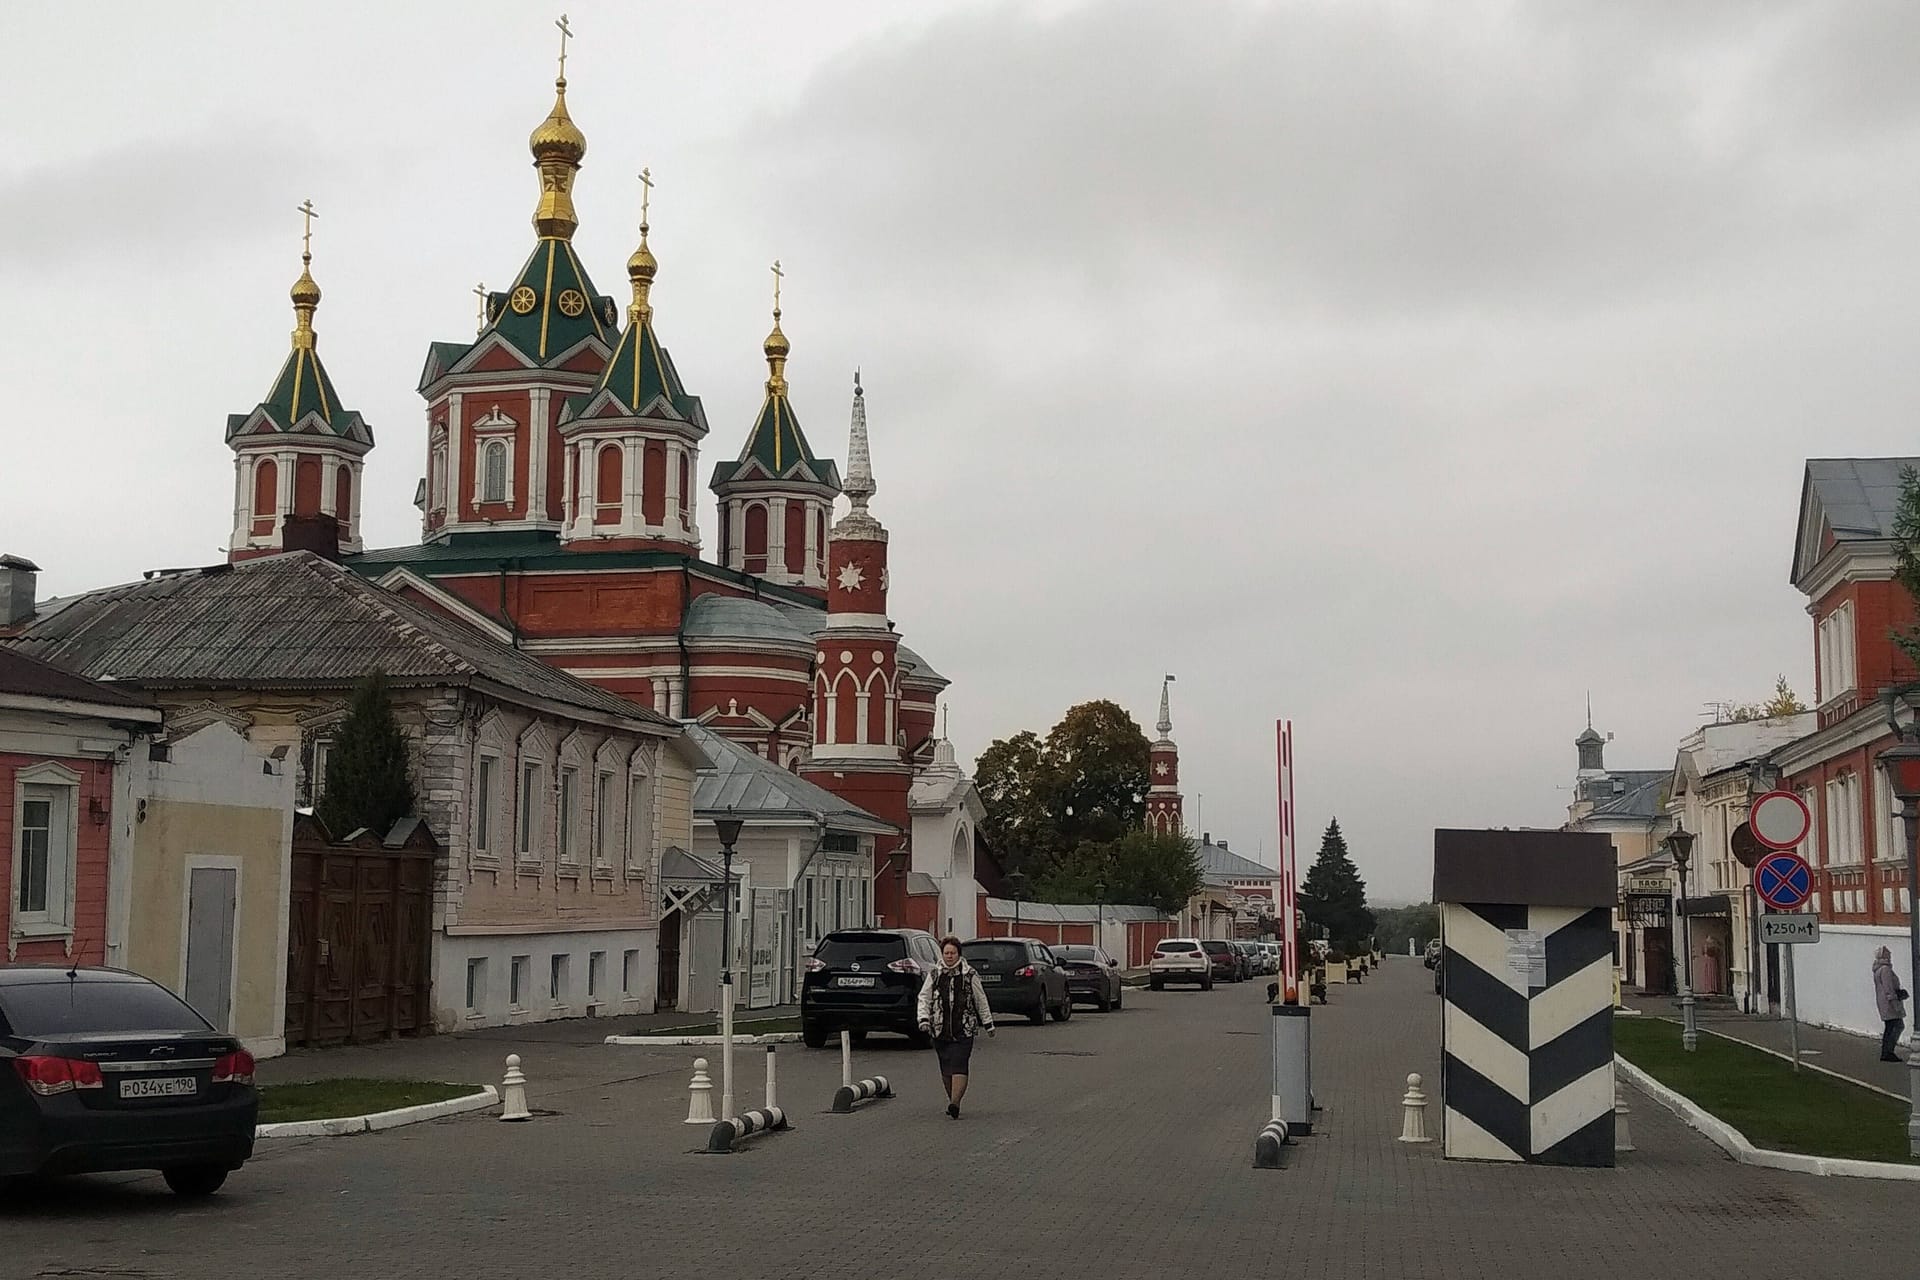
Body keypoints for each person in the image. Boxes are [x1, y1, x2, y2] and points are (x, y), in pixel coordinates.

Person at [917, 935, 994, 1118]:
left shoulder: (970, 974)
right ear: (942, 954)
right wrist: (923, 1019)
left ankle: (955, 1103)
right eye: (946, 953)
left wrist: (988, 1022)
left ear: (959, 954)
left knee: (959, 1063)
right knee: (946, 1066)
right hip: (939, 1028)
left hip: (964, 1028)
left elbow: (980, 998)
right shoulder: (934, 974)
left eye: (952, 953)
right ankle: (952, 1098)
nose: (949, 956)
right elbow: (924, 997)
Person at [1874, 945, 1909, 1063]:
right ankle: (1888, 1051)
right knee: (1897, 1026)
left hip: (1883, 1002)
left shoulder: (1878, 969)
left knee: (1890, 1027)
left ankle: (1886, 1051)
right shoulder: (1885, 970)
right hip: (1889, 1003)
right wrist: (1896, 1003)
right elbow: (1889, 988)